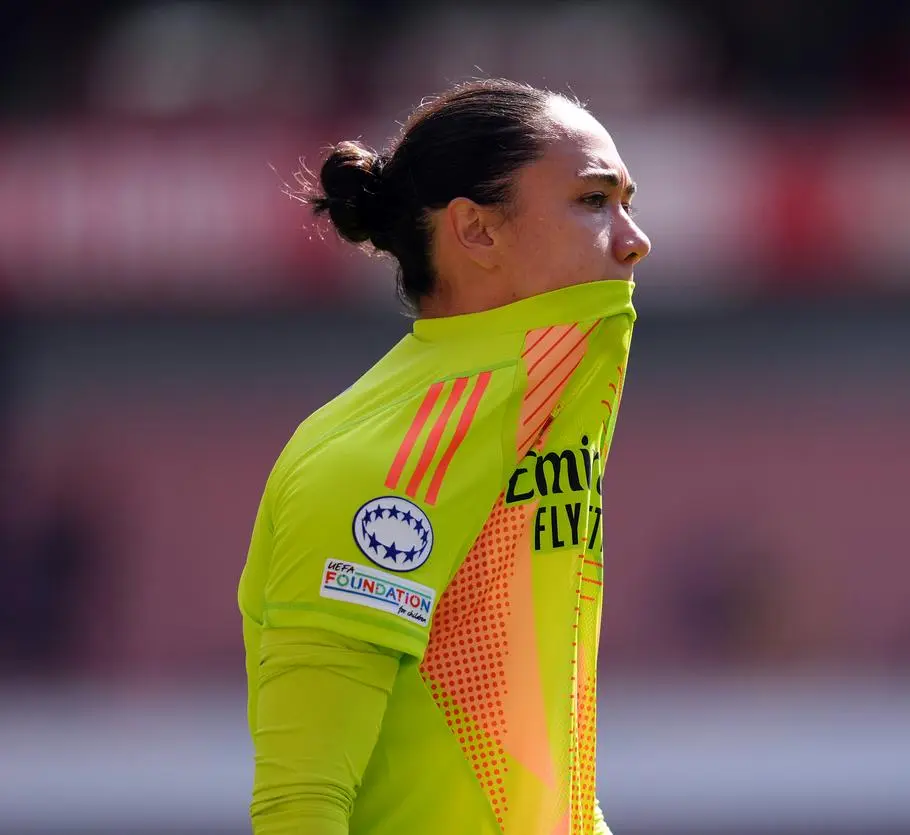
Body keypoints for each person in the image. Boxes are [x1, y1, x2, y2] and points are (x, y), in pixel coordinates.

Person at [237, 77, 651, 835]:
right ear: (476, 231)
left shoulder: (546, 415)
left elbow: (540, 777)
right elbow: (301, 804)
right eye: (595, 201)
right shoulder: (377, 462)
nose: (635, 238)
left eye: (628, 201)